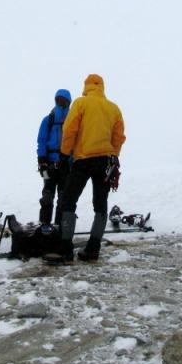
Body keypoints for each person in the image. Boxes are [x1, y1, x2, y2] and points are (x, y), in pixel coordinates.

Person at [45, 74, 126, 265]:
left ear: (87, 86)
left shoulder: (81, 103)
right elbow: (118, 136)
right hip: (105, 160)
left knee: (68, 201)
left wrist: (64, 154)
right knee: (100, 204)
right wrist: (113, 156)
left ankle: (65, 250)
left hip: (83, 159)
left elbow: (70, 129)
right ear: (102, 86)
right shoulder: (113, 108)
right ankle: (93, 249)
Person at [37, 89, 72, 226]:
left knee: (63, 198)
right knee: (47, 196)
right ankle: (44, 225)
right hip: (49, 165)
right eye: (59, 100)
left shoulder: (73, 120)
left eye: (64, 100)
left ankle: (59, 227)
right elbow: (41, 141)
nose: (61, 102)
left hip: (66, 166)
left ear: (68, 102)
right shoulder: (48, 120)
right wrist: (42, 161)